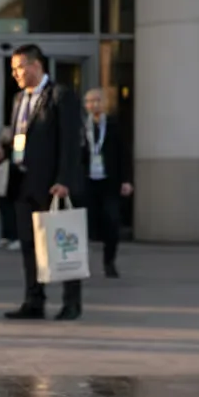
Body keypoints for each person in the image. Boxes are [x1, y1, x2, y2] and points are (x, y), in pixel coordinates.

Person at [1, 44, 83, 321]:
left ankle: (72, 302)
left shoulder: (60, 95)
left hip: (51, 184)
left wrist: (64, 179)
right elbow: (21, 137)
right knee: (28, 244)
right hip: (23, 181)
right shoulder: (19, 99)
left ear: (36, 65)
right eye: (13, 69)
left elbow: (70, 142)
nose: (15, 74)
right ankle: (34, 300)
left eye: (19, 68)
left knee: (63, 242)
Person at [82, 87, 133, 278]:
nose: (94, 104)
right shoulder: (81, 127)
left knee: (112, 221)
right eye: (90, 101)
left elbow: (124, 154)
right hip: (87, 182)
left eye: (97, 100)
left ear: (104, 104)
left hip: (109, 181)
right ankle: (79, 262)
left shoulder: (114, 125)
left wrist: (127, 180)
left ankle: (109, 261)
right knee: (85, 223)